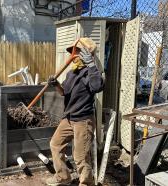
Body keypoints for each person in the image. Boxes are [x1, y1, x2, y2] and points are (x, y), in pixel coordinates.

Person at [45, 37, 104, 186]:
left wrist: (91, 65)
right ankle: (63, 176)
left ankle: (86, 183)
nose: (73, 55)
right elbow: (64, 92)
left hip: (83, 120)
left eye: (76, 51)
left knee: (81, 156)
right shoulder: (73, 73)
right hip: (69, 117)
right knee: (55, 144)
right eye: (72, 51)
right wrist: (56, 84)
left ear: (86, 54)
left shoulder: (91, 73)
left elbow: (97, 87)